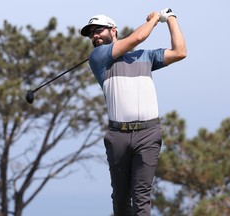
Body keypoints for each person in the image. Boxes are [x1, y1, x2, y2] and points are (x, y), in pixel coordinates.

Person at [80, 8, 186, 216]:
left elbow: (180, 51)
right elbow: (138, 36)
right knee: (120, 199)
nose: (94, 36)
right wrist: (156, 19)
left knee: (141, 197)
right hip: (118, 136)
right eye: (91, 33)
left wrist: (171, 18)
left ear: (113, 31)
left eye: (98, 30)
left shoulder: (146, 57)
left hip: (148, 134)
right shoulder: (99, 58)